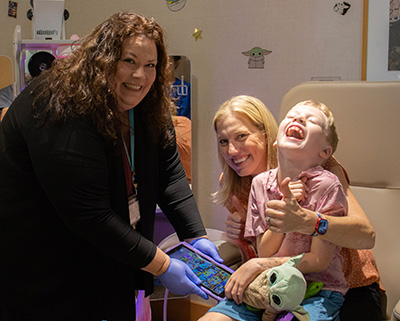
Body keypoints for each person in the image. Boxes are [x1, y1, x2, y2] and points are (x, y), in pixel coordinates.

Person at [0, 11, 222, 321]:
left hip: (104, 253)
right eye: (128, 61)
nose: (140, 76)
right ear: (103, 59)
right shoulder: (58, 106)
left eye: (150, 65)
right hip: (43, 263)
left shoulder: (146, 105)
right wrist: (162, 265)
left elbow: (169, 174)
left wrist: (195, 236)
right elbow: (90, 215)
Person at [199, 95, 382, 321]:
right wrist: (241, 241)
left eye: (242, 137)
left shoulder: (321, 171)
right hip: (276, 282)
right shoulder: (241, 184)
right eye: (223, 142)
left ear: (268, 135)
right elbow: (264, 251)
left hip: (346, 286)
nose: (232, 151)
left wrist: (308, 221)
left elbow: (365, 235)